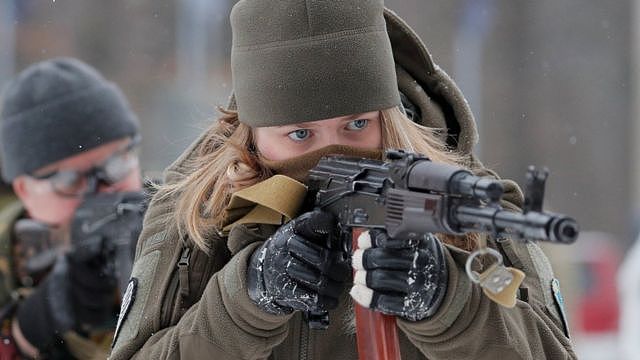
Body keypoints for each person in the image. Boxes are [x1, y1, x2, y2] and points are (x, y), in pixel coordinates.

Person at [110, 1, 576, 359]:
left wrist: (450, 302)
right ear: (253, 136)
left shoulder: (462, 197)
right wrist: (248, 299)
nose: (331, 151)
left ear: (388, 118)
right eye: (299, 134)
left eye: (356, 125)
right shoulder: (193, 214)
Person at [0, 58, 147, 359]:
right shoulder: (12, 266)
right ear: (24, 190)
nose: (103, 191)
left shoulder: (185, 221)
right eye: (69, 179)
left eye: (117, 163)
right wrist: (25, 333)